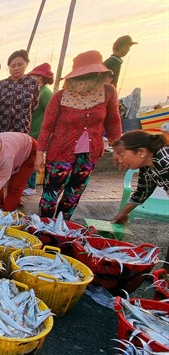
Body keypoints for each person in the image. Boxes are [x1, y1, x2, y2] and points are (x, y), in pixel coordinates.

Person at [34, 50, 122, 219]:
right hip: (60, 153)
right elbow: (47, 127)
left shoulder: (108, 93)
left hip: (90, 154)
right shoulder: (60, 97)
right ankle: (43, 227)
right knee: (50, 196)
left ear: (99, 73)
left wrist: (118, 149)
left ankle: (63, 226)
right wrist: (40, 153)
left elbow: (113, 122)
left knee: (72, 196)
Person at [112, 130, 168, 224]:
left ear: (141, 152)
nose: (121, 161)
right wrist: (123, 214)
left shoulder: (165, 159)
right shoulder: (146, 166)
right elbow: (142, 192)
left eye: (122, 155)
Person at [0, 49, 40, 136]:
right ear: (9, 67)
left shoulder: (33, 83)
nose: (16, 68)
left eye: (20, 64)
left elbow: (34, 106)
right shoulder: (0, 85)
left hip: (21, 130)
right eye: (13, 66)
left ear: (26, 64)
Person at [23, 63, 54, 195]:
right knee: (26, 158)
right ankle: (25, 183)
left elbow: (51, 113)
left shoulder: (46, 93)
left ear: (40, 77)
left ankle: (31, 186)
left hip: (37, 131)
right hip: (28, 130)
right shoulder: (34, 91)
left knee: (33, 158)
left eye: (33, 75)